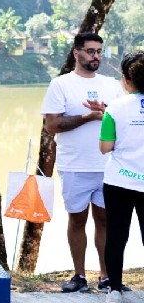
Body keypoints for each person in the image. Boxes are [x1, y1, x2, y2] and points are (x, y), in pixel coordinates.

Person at [41, 33, 124, 292]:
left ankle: (106, 276)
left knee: (105, 220)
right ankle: (79, 276)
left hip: (108, 166)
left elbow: (123, 118)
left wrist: (105, 111)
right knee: (77, 220)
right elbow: (52, 125)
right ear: (76, 53)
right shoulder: (61, 84)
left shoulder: (112, 85)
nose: (95, 56)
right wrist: (87, 117)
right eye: (90, 51)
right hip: (74, 166)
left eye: (99, 51)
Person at [99, 52, 144, 303]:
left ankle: (114, 290)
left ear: (126, 80)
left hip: (119, 182)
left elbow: (105, 147)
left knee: (116, 236)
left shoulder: (115, 108)